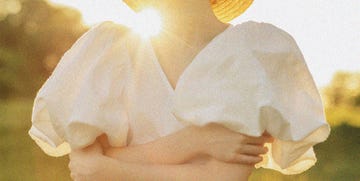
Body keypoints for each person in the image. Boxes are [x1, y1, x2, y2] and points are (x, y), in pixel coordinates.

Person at [28, 0, 330, 180]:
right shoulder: (106, 49)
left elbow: (220, 178)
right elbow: (84, 168)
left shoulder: (257, 50)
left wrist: (114, 168)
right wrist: (194, 141)